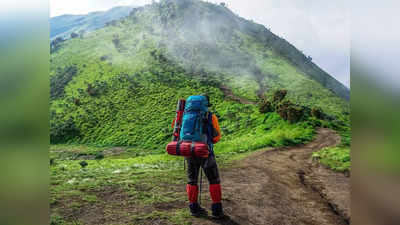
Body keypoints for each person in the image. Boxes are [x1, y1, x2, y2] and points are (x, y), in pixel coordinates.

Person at [183, 94, 224, 219]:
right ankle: (216, 211)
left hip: (189, 151)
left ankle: (194, 208)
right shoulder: (211, 117)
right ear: (206, 105)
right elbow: (216, 138)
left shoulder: (184, 116)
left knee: (192, 181)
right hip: (205, 152)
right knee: (214, 180)